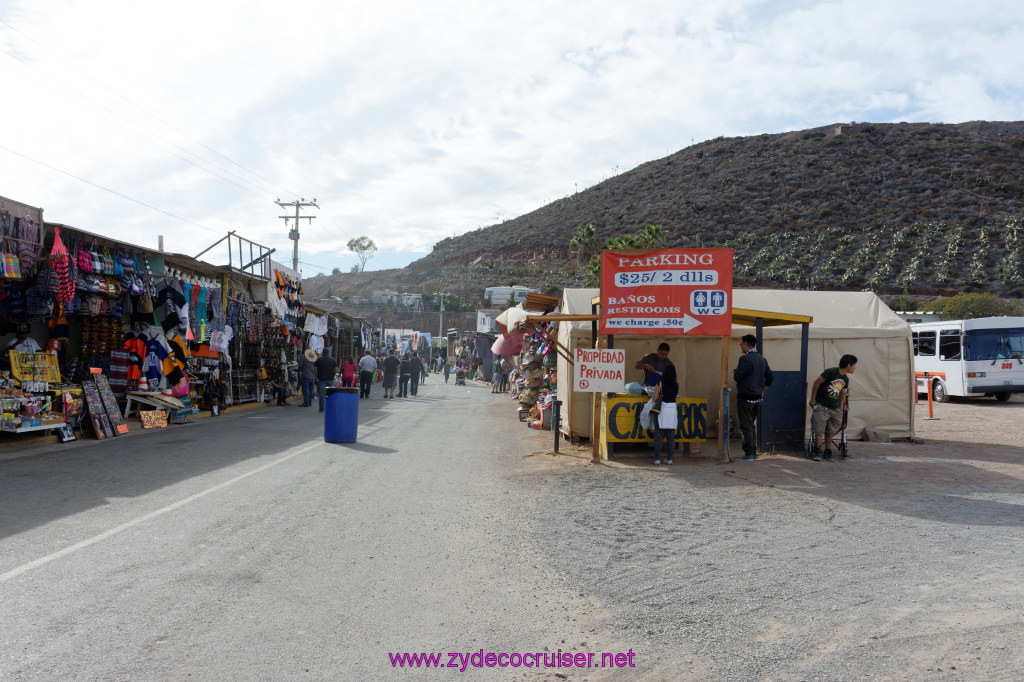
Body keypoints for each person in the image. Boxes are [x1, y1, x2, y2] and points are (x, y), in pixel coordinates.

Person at [733, 334, 775, 462]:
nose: (741, 346)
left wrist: (736, 372)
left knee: (746, 426)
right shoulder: (762, 359)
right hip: (757, 398)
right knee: (751, 425)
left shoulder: (745, 359)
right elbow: (770, 378)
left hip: (745, 397)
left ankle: (749, 454)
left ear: (746, 344)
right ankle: (754, 453)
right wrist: (762, 390)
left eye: (741, 344)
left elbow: (737, 377)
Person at [809, 354, 857, 461]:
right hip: (821, 405)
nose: (854, 368)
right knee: (819, 428)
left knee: (831, 430)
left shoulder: (846, 379)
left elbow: (843, 394)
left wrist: (840, 407)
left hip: (835, 408)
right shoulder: (831, 372)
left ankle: (828, 451)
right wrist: (813, 399)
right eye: (854, 366)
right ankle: (818, 450)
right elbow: (817, 382)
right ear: (848, 365)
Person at [651, 364, 679, 465]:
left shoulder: (660, 383)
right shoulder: (676, 385)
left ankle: (657, 459)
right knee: (671, 436)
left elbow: (655, 398)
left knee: (659, 436)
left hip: (661, 411)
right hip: (672, 410)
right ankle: (669, 459)